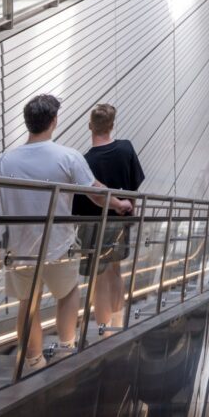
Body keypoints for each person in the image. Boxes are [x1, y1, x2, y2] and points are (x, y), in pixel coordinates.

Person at [0, 95, 133, 372]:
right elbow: (97, 194)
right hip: (58, 245)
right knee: (66, 295)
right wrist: (120, 203)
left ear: (28, 122)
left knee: (27, 304)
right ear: (54, 121)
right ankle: (66, 350)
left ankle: (33, 360)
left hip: (19, 249)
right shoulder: (67, 156)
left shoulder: (5, 161)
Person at [71, 103, 145, 332]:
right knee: (115, 270)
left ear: (89, 126)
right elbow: (135, 184)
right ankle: (118, 321)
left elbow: (80, 200)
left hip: (93, 224)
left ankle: (103, 330)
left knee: (98, 277)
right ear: (112, 126)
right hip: (121, 221)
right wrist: (128, 209)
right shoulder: (126, 148)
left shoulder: (85, 161)